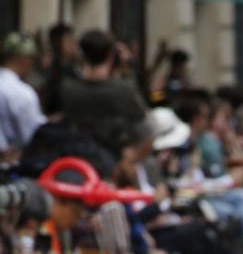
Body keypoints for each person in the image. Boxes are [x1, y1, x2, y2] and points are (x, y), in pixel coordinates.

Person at [60, 29, 150, 158]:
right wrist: (126, 69)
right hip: (112, 161)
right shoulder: (123, 90)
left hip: (74, 158)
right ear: (110, 55)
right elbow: (146, 132)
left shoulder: (67, 88)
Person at [0, 32, 46, 157]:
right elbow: (32, 136)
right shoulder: (23, 93)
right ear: (24, 59)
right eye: (32, 59)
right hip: (14, 165)